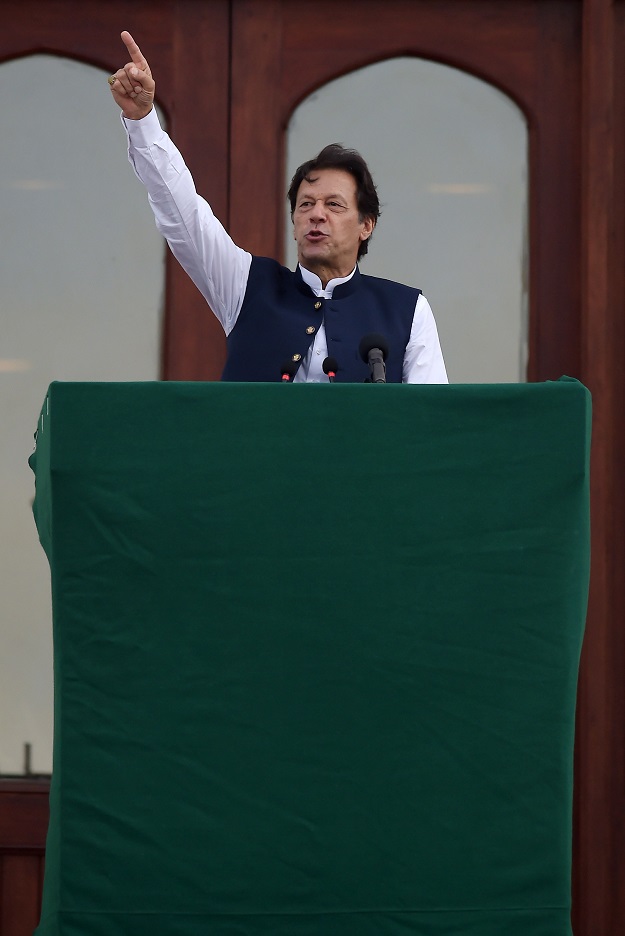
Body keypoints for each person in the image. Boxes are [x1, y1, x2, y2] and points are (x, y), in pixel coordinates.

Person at [109, 31, 448, 384]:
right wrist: (143, 120)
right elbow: (184, 217)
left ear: (367, 225)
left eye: (333, 205)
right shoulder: (246, 285)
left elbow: (430, 421)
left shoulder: (407, 310)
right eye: (305, 205)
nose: (316, 214)